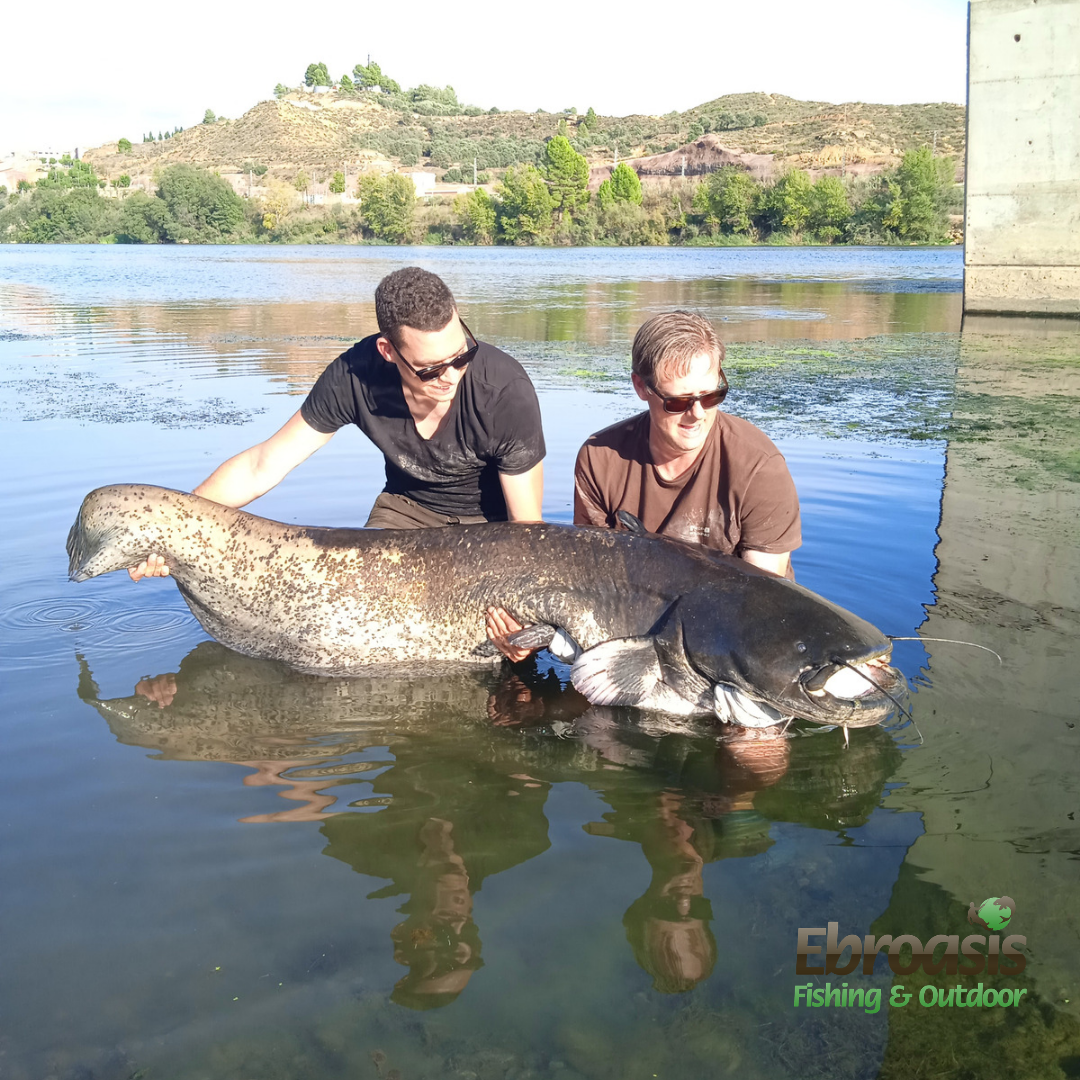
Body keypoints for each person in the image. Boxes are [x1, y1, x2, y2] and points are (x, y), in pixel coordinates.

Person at [129, 266, 546, 585]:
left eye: (461, 356)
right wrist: (172, 526)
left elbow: (528, 530)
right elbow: (263, 464)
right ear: (387, 351)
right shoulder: (354, 375)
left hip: (490, 526)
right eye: (429, 369)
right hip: (405, 514)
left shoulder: (504, 390)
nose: (451, 376)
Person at [574, 309, 800, 579]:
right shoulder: (599, 459)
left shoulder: (759, 468)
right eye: (678, 402)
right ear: (640, 387)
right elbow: (590, 574)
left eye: (710, 396)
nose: (698, 414)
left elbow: (762, 601)